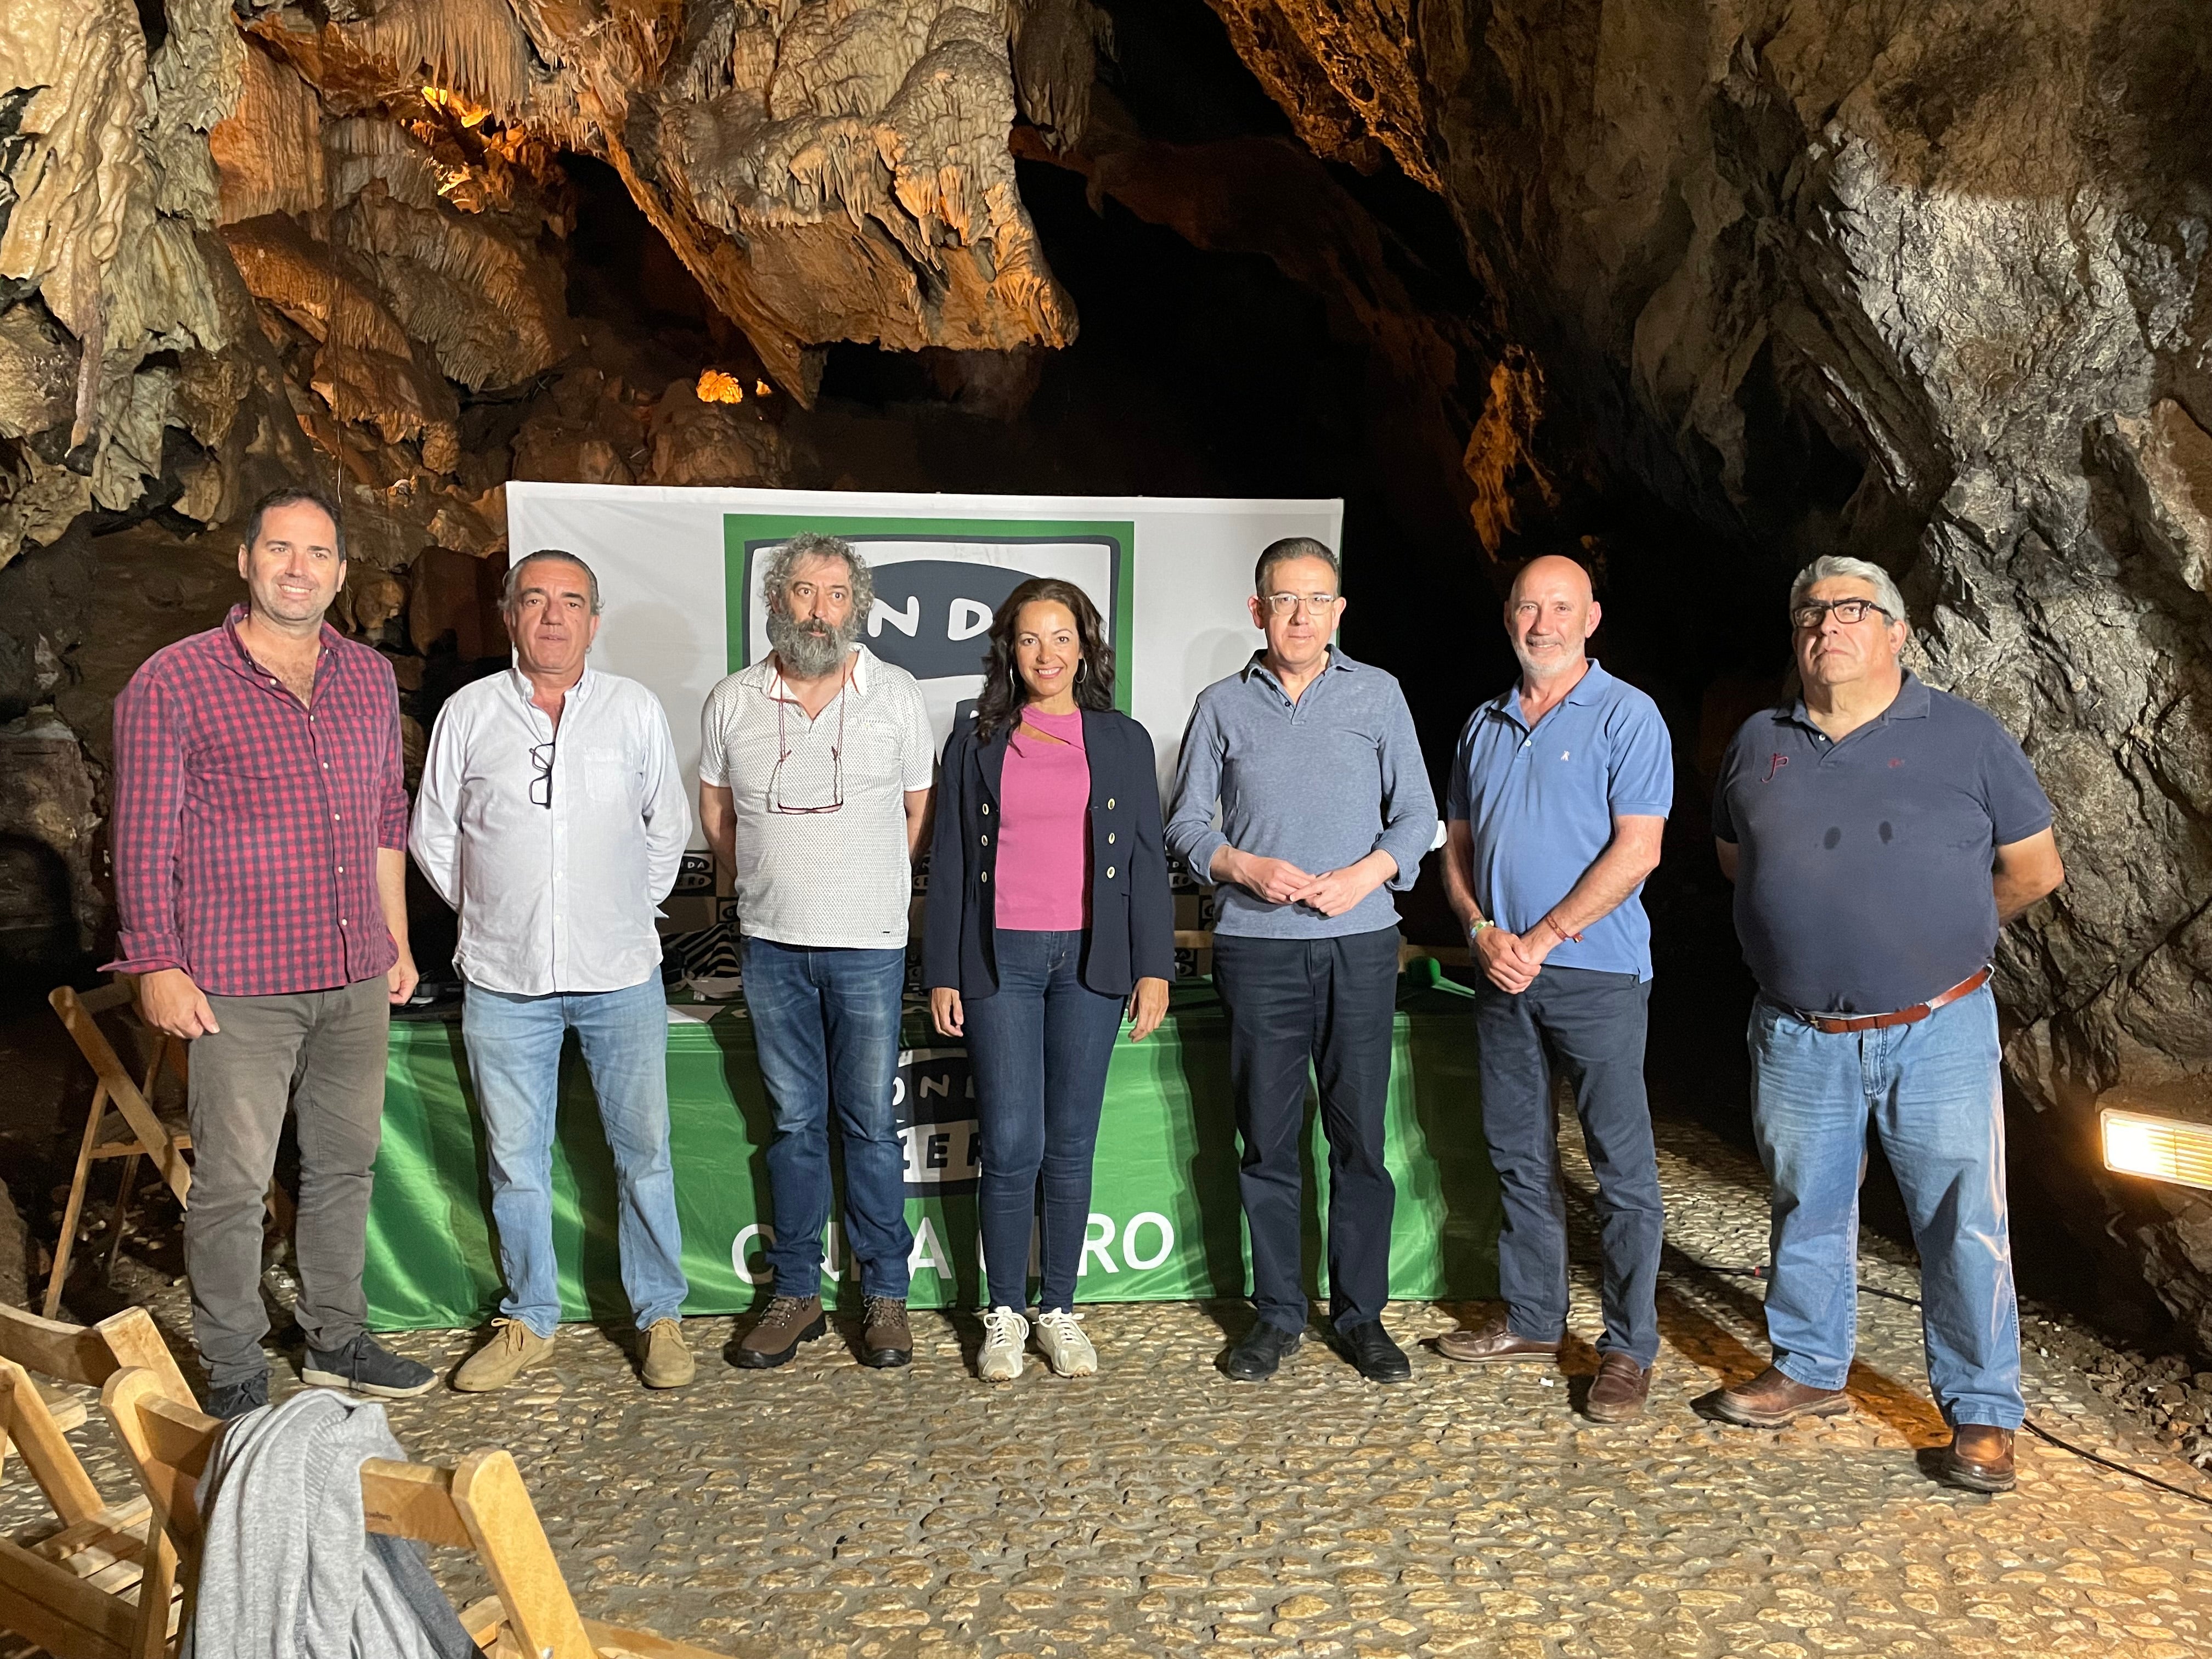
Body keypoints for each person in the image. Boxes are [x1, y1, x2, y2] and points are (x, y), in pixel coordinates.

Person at [1709, 555, 2064, 1492]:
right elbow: (1736, 859)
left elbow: (2034, 871)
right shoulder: (1758, 741)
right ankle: (1809, 1367)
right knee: (1806, 1205)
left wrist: (1933, 940)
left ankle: (1985, 1411)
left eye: (1854, 610)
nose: (1829, 625)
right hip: (1797, 1032)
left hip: (1936, 1027)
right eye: (1810, 613)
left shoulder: (1967, 737)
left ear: (1899, 631)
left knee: (1963, 1219)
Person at [108, 485, 436, 1419]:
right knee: (234, 1184)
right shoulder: (174, 680)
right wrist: (156, 963)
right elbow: (144, 837)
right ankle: (233, 1359)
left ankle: (336, 1339)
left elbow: (383, 820)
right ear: (246, 561)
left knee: (344, 1166)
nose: (301, 569)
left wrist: (395, 942)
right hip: (237, 984)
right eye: (282, 550)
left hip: (351, 973)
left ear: (340, 573)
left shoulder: (369, 678)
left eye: (320, 554)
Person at [411, 550, 696, 1392]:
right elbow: (433, 833)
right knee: (515, 1161)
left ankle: (661, 1317)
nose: (552, 617)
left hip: (620, 975)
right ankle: (530, 1318)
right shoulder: (468, 714)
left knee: (643, 1152)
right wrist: (496, 909)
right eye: (534, 601)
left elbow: (666, 827)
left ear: (593, 622)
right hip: (503, 980)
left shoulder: (633, 711)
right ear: (509, 617)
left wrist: (620, 912)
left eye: (571, 603)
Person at [1166, 537, 1437, 1384]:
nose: (1300, 616)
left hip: (1360, 946)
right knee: (1268, 1140)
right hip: (1257, 950)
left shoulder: (1379, 696)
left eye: (1317, 600)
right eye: (1284, 600)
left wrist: (1364, 875)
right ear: (1258, 610)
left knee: (1358, 1140)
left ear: (1339, 611)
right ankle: (1277, 1316)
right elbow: (1185, 827)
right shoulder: (1221, 706)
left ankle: (1361, 1318)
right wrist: (1242, 865)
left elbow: (1418, 816)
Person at [1434, 555, 1673, 1420]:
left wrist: (1539, 937)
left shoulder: (1628, 716)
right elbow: (1455, 849)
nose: (1544, 623)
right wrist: (1479, 931)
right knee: (1518, 1155)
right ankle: (1535, 1318)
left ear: (1592, 618)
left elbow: (1638, 850)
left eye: (1561, 608)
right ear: (1508, 617)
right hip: (1502, 974)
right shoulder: (1482, 724)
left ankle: (1627, 1350)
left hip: (1597, 974)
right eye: (1529, 608)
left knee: (1621, 1170)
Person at [924, 580, 1174, 1382]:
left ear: (1086, 646)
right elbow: (953, 861)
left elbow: (1143, 861)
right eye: (1031, 639)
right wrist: (946, 970)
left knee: (1070, 1145)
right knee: (1011, 1144)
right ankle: (1002, 1313)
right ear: (1009, 649)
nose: (1047, 654)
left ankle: (1058, 1309)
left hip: (1092, 963)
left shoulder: (1123, 739)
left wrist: (1152, 966)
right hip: (1001, 963)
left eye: (1062, 637)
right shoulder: (974, 739)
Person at [698, 534, 936, 1369]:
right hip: (771, 949)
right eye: (803, 591)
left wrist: (856, 888)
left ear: (857, 607)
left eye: (836, 594)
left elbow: (916, 816)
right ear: (776, 601)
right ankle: (796, 1293)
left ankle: (885, 1296)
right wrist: (773, 884)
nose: (818, 609)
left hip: (868, 947)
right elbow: (718, 816)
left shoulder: (896, 696)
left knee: (869, 1125)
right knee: (795, 1125)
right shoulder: (732, 700)